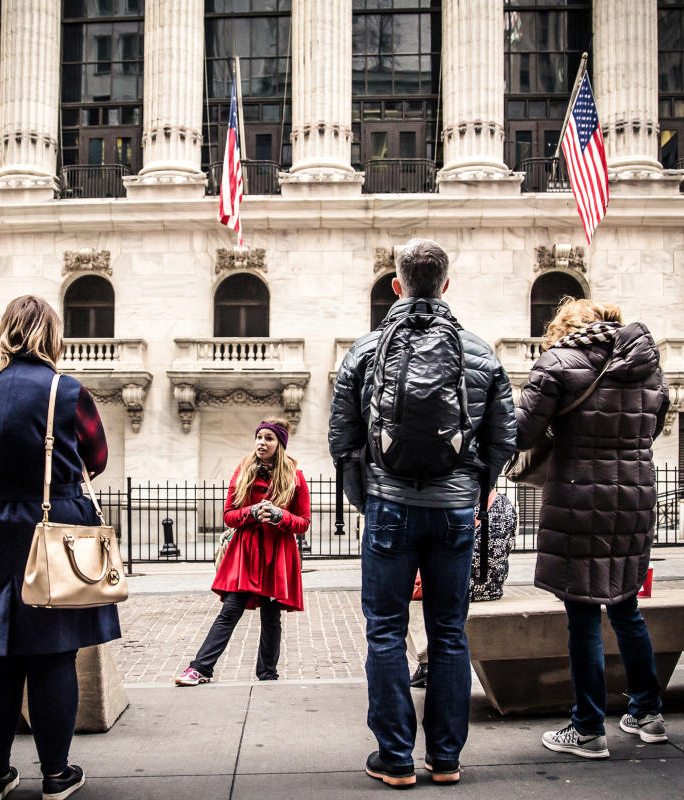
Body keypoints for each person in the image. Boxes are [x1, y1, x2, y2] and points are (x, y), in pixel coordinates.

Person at [329, 238, 516, 787]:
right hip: (456, 509)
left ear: (397, 285)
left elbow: (343, 436)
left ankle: (393, 758)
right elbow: (504, 436)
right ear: (446, 285)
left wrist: (364, 496)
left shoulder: (365, 350)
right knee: (450, 630)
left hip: (389, 505)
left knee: (385, 630)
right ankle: (447, 757)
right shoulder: (480, 351)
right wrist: (480, 488)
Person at [0, 295, 120, 800]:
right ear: (51, 336)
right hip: (49, 525)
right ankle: (55, 773)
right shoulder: (64, 391)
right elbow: (97, 456)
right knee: (52, 653)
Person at [514, 297, 670, 759]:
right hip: (635, 496)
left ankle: (587, 728)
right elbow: (653, 426)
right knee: (624, 605)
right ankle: (649, 711)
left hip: (581, 495)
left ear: (566, 327)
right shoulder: (647, 364)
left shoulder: (558, 362)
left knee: (582, 613)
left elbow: (521, 432)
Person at [174, 417, 309, 686]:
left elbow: (303, 522)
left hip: (277, 554)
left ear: (279, 444)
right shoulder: (244, 471)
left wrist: (281, 515)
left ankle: (268, 674)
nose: (261, 442)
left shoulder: (295, 478)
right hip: (246, 555)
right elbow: (229, 515)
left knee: (271, 617)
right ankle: (200, 668)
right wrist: (252, 512)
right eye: (259, 437)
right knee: (230, 610)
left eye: (269, 438)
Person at [408, 488, 518, 689]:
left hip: (456, 584)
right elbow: (509, 544)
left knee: (409, 599)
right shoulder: (506, 504)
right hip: (491, 586)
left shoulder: (454, 502)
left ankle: (426, 662)